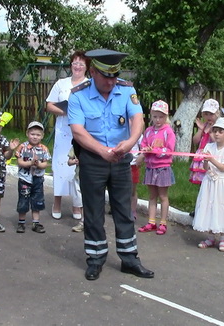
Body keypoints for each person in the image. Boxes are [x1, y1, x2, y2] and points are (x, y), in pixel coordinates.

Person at [68, 48, 154, 281]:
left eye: (115, 76)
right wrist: (102, 151)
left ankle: (129, 258)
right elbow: (78, 131)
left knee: (124, 210)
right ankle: (95, 258)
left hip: (120, 159)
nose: (111, 81)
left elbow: (138, 119)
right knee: (94, 211)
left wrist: (130, 143)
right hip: (93, 161)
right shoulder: (78, 95)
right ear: (93, 71)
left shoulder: (126, 90)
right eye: (106, 76)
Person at [46, 50, 90, 220]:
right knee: (60, 165)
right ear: (71, 65)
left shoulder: (89, 85)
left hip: (81, 131)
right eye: (75, 63)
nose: (77, 66)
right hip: (63, 130)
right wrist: (64, 111)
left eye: (81, 63)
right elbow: (49, 105)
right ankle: (56, 202)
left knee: (77, 167)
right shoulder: (61, 84)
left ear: (86, 67)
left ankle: (77, 205)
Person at [192, 117, 224, 252]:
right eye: (215, 131)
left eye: (221, 132)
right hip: (209, 181)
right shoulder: (209, 146)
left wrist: (211, 159)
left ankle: (223, 237)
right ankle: (210, 236)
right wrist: (206, 161)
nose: (217, 134)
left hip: (222, 183)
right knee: (209, 206)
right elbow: (206, 167)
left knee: (222, 206)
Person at [137, 100, 176, 236]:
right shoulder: (148, 131)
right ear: (151, 116)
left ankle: (163, 222)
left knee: (163, 196)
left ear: (166, 117)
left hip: (163, 168)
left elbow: (170, 150)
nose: (158, 120)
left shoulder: (168, 131)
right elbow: (143, 145)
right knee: (152, 196)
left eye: (161, 116)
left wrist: (156, 151)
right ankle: (151, 222)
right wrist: (145, 150)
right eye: (155, 116)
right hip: (150, 167)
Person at [14, 121, 51, 234]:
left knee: (37, 200)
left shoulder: (44, 149)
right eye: (32, 134)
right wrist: (29, 164)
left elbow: (46, 163)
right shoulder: (22, 147)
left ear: (42, 136)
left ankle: (36, 222)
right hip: (25, 179)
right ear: (27, 133)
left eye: (38, 135)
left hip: (38, 179)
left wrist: (39, 165)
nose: (35, 137)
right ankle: (21, 222)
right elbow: (19, 161)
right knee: (23, 200)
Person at [189, 98, 221, 185]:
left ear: (217, 114)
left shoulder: (218, 127)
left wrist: (210, 132)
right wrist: (200, 130)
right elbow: (195, 141)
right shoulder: (204, 125)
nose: (208, 117)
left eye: (211, 114)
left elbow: (218, 143)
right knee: (202, 180)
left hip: (212, 155)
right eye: (206, 114)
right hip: (201, 154)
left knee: (211, 179)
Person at [67, 143, 84, 232]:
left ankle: (90, 223)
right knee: (80, 201)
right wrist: (74, 161)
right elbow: (69, 162)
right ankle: (82, 222)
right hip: (78, 177)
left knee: (91, 201)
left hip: (91, 178)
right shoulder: (76, 147)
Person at [130, 134, 143, 221]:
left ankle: (132, 211)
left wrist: (141, 158)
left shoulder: (138, 134)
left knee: (132, 190)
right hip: (120, 163)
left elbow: (143, 148)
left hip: (133, 164)